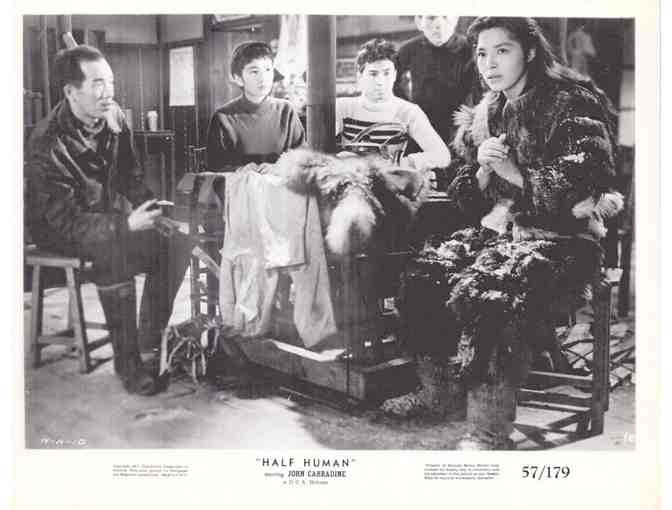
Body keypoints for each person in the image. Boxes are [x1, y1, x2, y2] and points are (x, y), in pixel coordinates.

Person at [394, 17, 623, 449]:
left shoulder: (572, 101)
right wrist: (482, 170)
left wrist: (514, 172)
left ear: (530, 52)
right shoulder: (486, 111)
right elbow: (465, 197)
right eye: (482, 53)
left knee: (490, 294)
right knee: (424, 275)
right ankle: (439, 396)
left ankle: (487, 430)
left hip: (565, 239)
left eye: (503, 50)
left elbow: (588, 185)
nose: (489, 64)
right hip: (500, 233)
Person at [24, 45, 192, 396]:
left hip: (102, 218)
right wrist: (125, 226)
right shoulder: (47, 141)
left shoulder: (113, 119)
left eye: (111, 82)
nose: (109, 92)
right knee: (115, 249)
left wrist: (152, 210)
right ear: (71, 91)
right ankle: (128, 365)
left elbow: (130, 177)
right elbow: (64, 222)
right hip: (57, 229)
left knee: (176, 241)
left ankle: (148, 343)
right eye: (98, 84)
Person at [336, 38, 451, 173]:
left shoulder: (409, 112)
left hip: (390, 181)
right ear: (360, 76)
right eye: (373, 74)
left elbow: (442, 155)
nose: (380, 81)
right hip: (351, 179)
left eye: (386, 73)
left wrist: (402, 163)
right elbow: (317, 149)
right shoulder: (343, 107)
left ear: (395, 75)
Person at [207, 41, 306, 170]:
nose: (263, 78)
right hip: (240, 182)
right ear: (238, 78)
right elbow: (214, 166)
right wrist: (240, 170)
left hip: (279, 182)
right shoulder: (223, 117)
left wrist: (278, 168)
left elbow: (302, 158)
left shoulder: (286, 111)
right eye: (254, 72)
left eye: (268, 70)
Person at [393, 16, 479, 151]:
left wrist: (467, 123)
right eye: (431, 17)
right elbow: (391, 84)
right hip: (420, 126)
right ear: (419, 22)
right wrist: (408, 111)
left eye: (445, 17)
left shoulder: (471, 50)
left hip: (459, 128)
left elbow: (480, 94)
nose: (438, 25)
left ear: (455, 19)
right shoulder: (408, 49)